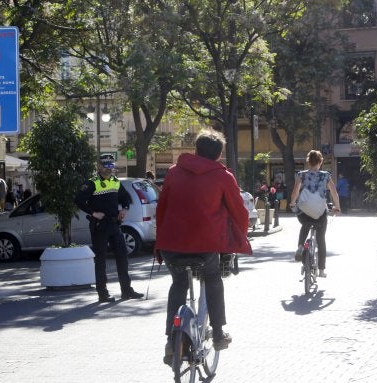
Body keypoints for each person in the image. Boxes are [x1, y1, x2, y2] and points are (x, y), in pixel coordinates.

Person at [155, 128, 252, 364]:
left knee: (178, 283)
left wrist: (159, 242)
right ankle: (218, 333)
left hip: (171, 243)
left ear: (195, 150)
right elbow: (239, 211)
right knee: (213, 279)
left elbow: (162, 208)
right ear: (219, 155)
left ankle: (171, 340)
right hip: (206, 244)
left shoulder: (173, 173)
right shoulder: (223, 176)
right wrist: (239, 234)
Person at [75, 153, 144, 303]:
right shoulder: (92, 183)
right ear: (98, 166)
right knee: (101, 260)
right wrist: (93, 213)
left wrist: (124, 209)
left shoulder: (115, 182)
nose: (108, 168)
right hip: (100, 225)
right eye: (105, 165)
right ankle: (103, 293)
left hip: (114, 224)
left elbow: (125, 198)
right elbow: (78, 200)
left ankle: (126, 291)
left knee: (122, 256)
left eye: (111, 165)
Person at [289, 150, 340, 278]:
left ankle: (300, 246)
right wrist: (337, 207)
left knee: (305, 225)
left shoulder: (301, 175)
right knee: (321, 239)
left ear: (308, 162)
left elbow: (295, 191)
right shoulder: (326, 175)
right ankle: (321, 270)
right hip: (319, 213)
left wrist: (292, 203)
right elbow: (334, 192)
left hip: (304, 211)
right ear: (321, 161)